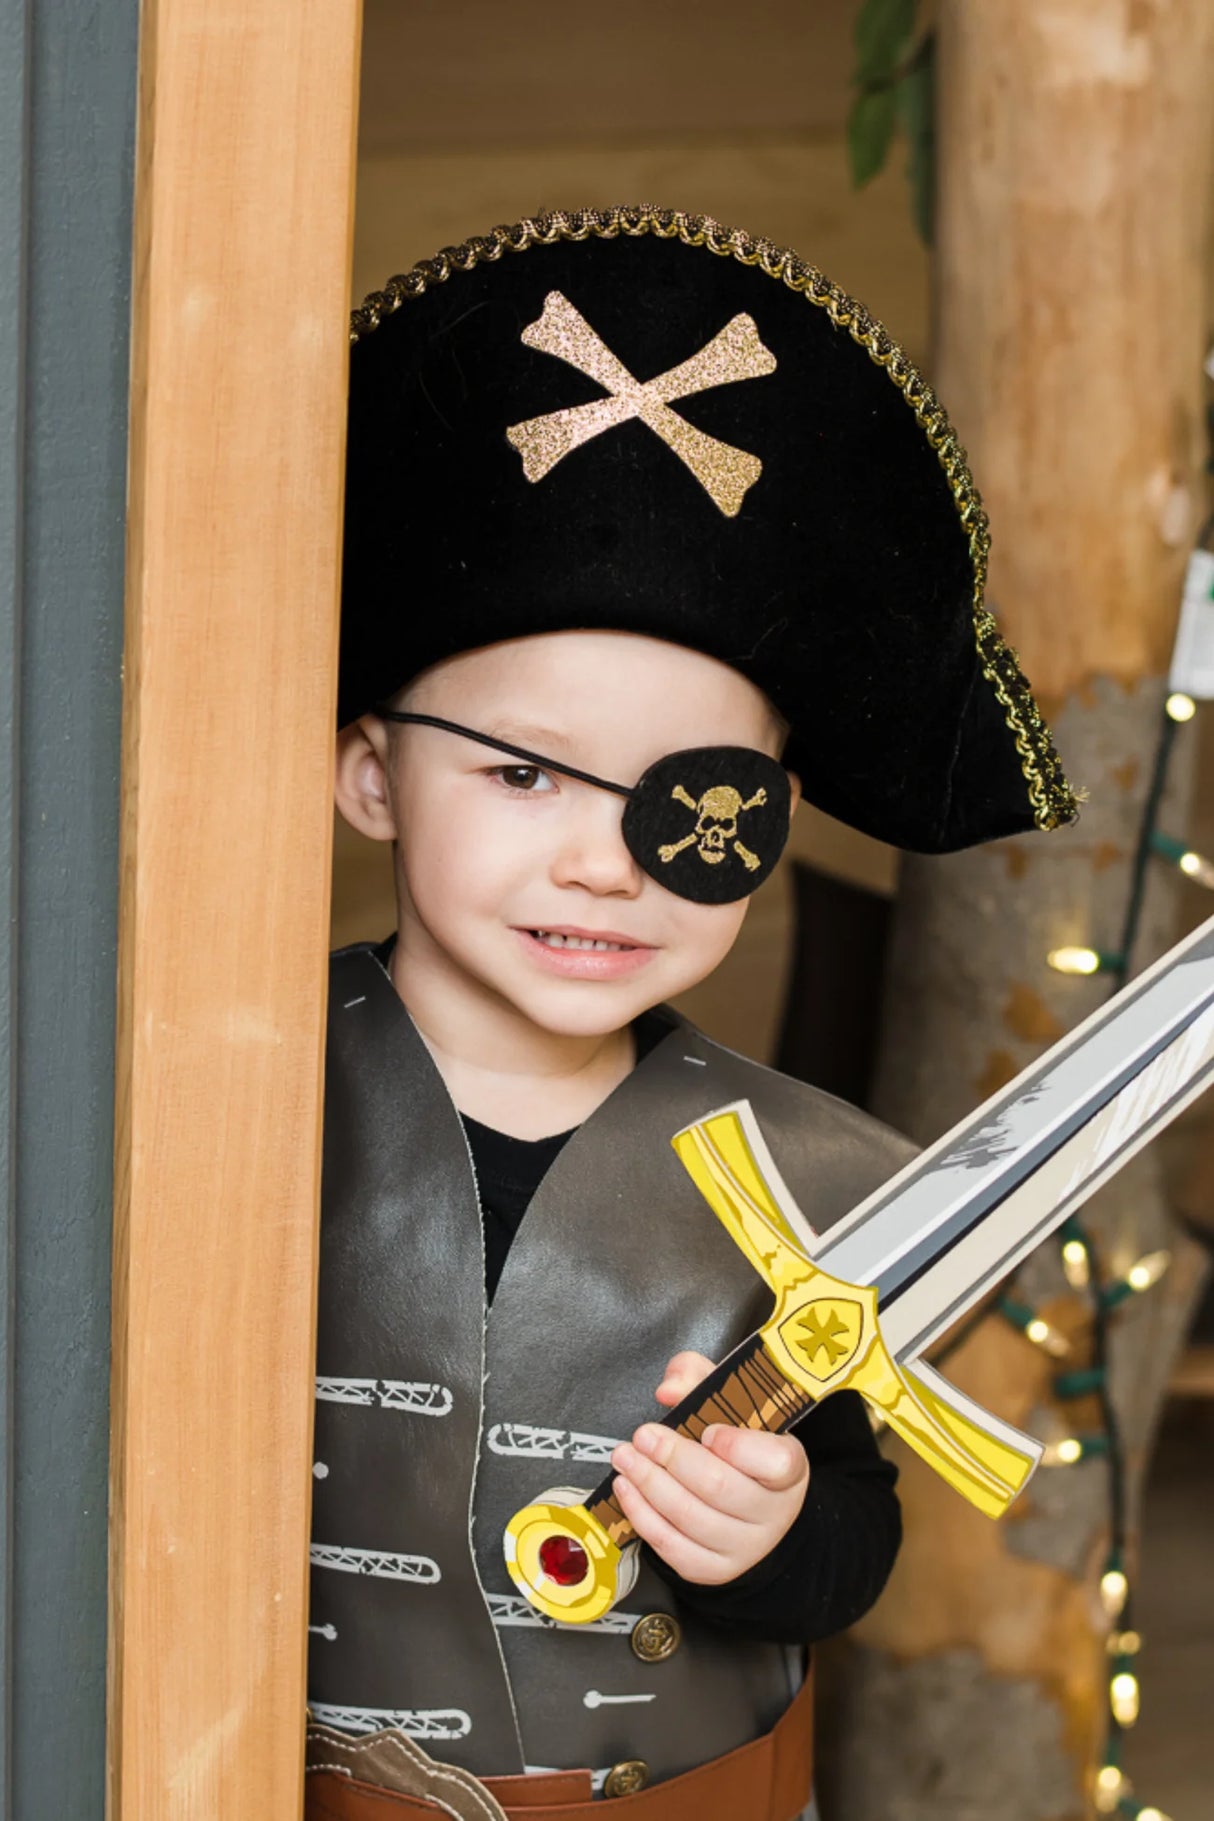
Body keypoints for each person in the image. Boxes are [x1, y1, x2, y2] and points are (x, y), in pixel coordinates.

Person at [304, 207, 1077, 1821]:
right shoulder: (230, 1103)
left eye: (683, 800)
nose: (598, 862)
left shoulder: (813, 1178)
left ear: (768, 810)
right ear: (372, 770)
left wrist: (778, 1534)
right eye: (520, 774)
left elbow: (853, 1529)